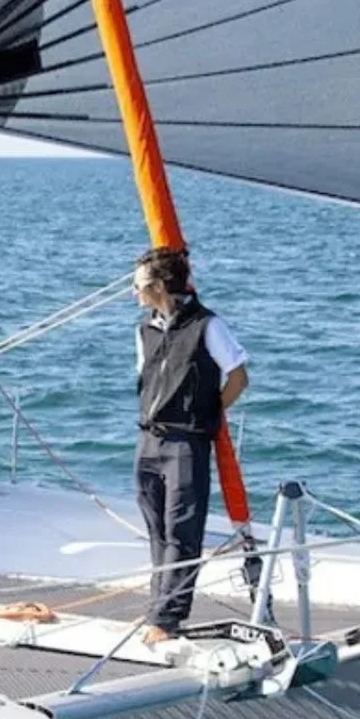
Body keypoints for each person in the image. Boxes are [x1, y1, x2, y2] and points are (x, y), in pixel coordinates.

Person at [132, 246, 249, 642]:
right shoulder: (145, 329)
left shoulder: (206, 325)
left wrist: (208, 413)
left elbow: (238, 377)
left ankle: (168, 620)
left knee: (182, 530)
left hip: (185, 441)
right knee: (156, 529)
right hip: (148, 439)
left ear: (161, 286)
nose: (135, 293)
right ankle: (157, 610)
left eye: (140, 286)